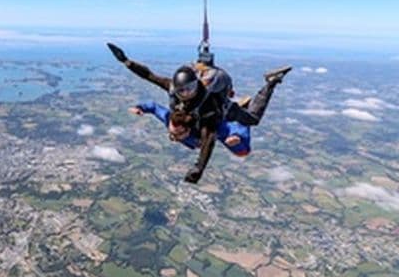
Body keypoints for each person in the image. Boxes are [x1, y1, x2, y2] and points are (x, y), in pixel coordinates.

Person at [107, 42, 290, 183]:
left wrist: (198, 169)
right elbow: (149, 76)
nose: (186, 94)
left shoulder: (207, 108)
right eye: (183, 91)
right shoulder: (173, 91)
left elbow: (209, 141)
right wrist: (126, 61)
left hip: (221, 109)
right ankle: (208, 67)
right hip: (196, 115)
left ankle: (271, 82)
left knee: (252, 119)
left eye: (190, 89)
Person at [130, 101, 251, 157]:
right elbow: (154, 107)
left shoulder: (208, 129)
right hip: (196, 133)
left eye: (178, 134)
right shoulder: (169, 119)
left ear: (188, 129)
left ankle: (241, 109)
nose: (174, 137)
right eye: (172, 132)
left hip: (217, 120)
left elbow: (232, 128)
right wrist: (140, 108)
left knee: (241, 152)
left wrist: (237, 137)